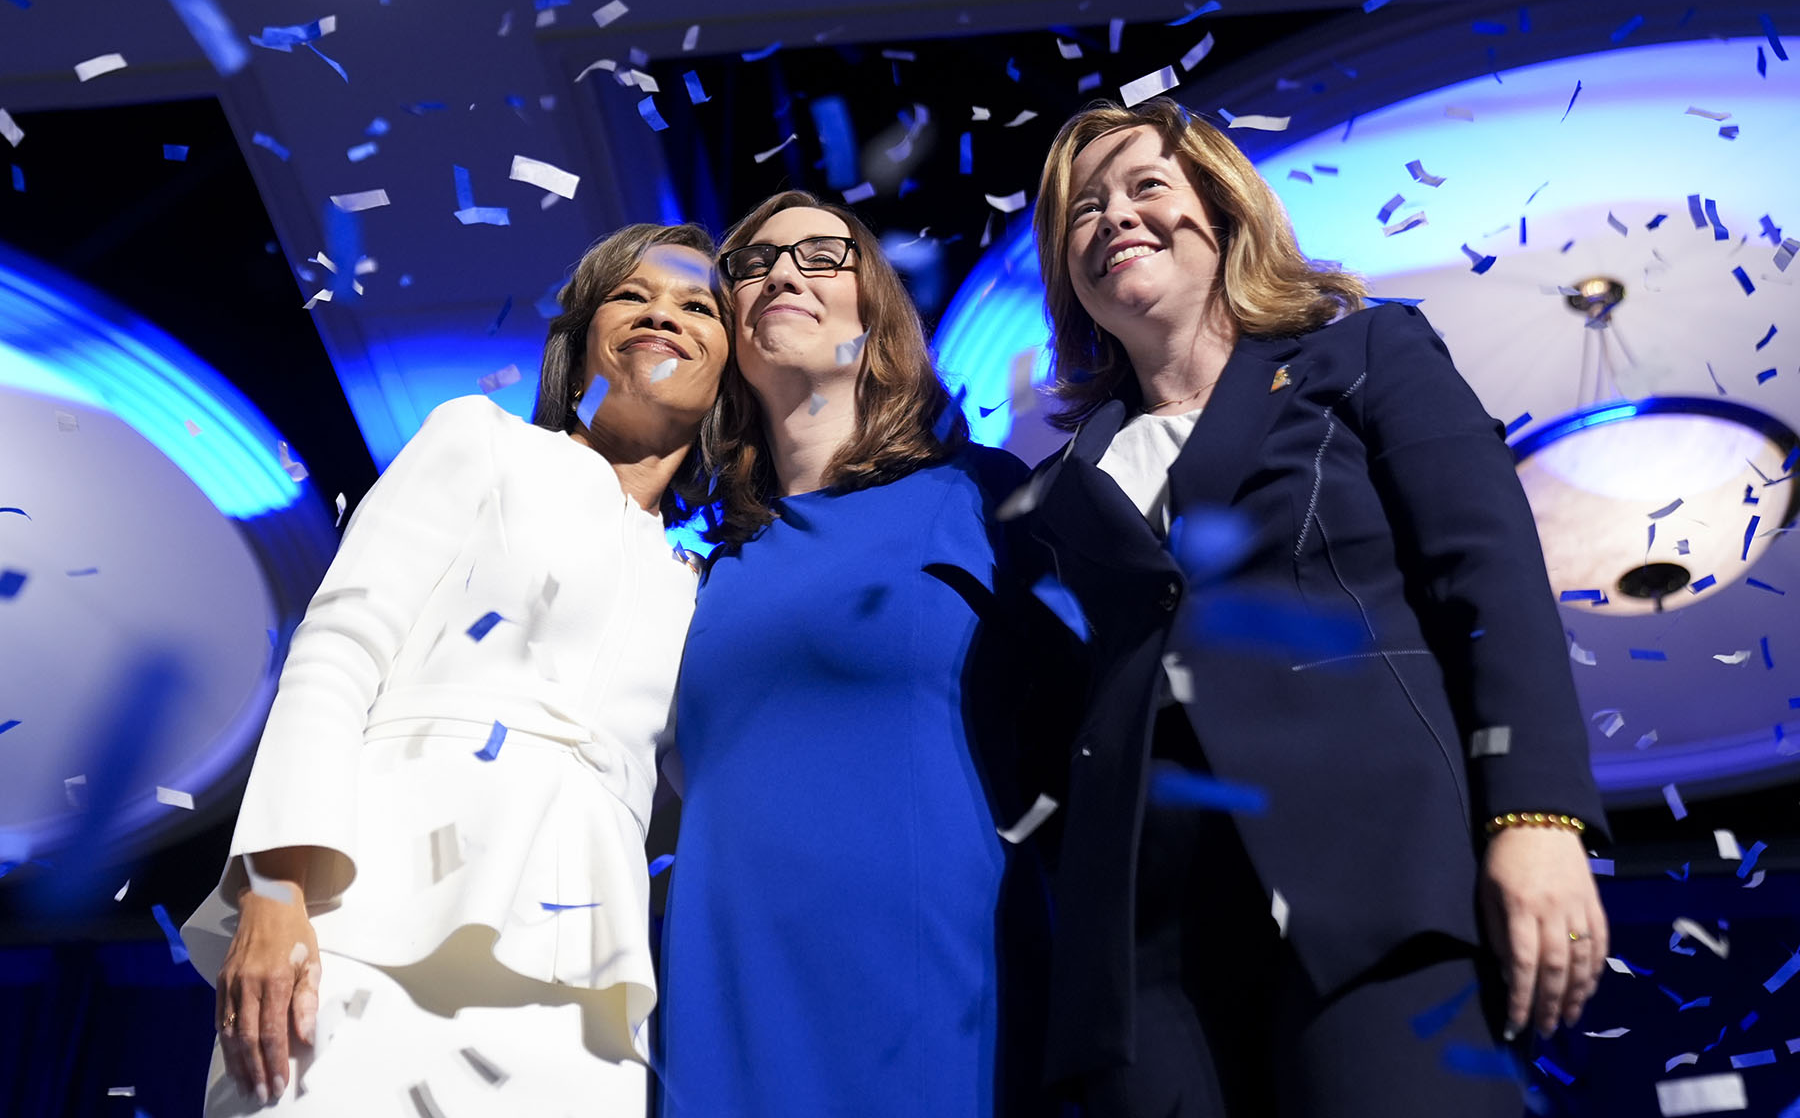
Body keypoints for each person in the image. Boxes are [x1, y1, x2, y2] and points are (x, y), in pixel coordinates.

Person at [1016, 98, 1610, 1117]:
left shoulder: (1366, 357)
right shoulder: (1061, 487)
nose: (1113, 217)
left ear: (1226, 208)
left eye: (1147, 186)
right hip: (1147, 965)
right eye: (1083, 210)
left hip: (1374, 894)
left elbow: (1489, 577)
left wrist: (1535, 813)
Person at [180, 223, 732, 1115]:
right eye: (632, 295)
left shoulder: (701, 584)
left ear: (730, 371)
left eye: (698, 304)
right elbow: (339, 647)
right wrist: (276, 888)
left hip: (584, 989)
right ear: (583, 335)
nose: (661, 312)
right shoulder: (481, 441)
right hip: (365, 921)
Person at [655, 191, 1061, 1117]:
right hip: (732, 983)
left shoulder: (982, 495)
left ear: (875, 309)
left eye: (819, 257)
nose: (782, 275)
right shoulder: (693, 567)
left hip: (933, 971)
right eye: (751, 267)